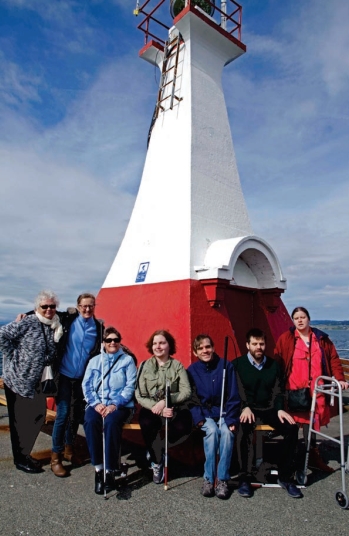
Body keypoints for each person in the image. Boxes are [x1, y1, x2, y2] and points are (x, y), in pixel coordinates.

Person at [275, 306, 348, 473]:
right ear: (293, 321)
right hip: (293, 389)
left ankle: (312, 456)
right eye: (296, 318)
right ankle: (292, 457)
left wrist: (340, 379)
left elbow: (333, 359)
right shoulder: (286, 338)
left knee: (312, 423)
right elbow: (278, 360)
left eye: (303, 317)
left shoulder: (322, 339)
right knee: (293, 422)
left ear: (309, 319)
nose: (300, 320)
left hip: (316, 391)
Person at [233, 328, 301, 499]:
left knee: (292, 429)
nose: (259, 347)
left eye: (261, 343)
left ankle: (285, 476)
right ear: (247, 345)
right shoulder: (237, 365)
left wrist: (279, 409)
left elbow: (278, 392)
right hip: (248, 408)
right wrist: (244, 406)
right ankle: (244, 478)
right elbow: (236, 391)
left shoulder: (273, 366)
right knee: (243, 429)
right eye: (255, 344)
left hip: (269, 409)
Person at [0, 290, 63, 473]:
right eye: (45, 306)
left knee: (38, 416)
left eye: (52, 306)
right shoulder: (28, 321)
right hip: (19, 380)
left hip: (38, 382)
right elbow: (2, 335)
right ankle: (21, 459)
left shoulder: (56, 324)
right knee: (20, 422)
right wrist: (12, 357)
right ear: (37, 307)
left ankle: (25, 453)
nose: (49, 309)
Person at [50, 292, 103, 477]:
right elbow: (47, 313)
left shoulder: (98, 327)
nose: (87, 309)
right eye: (84, 306)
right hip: (64, 375)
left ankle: (69, 450)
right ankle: (55, 458)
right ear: (78, 306)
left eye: (91, 306)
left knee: (75, 416)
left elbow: (103, 349)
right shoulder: (68, 320)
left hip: (82, 378)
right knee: (62, 415)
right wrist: (26, 314)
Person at [82, 326, 137, 495]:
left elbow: (130, 386)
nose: (112, 343)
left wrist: (115, 404)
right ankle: (99, 470)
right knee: (91, 422)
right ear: (104, 343)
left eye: (115, 340)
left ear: (119, 342)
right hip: (98, 403)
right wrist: (96, 403)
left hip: (120, 406)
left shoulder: (127, 361)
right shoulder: (95, 361)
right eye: (109, 340)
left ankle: (110, 470)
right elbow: (87, 385)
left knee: (112, 423)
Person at [187, 334, 240, 499]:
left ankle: (222, 479)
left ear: (213, 348)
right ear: (196, 352)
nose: (205, 350)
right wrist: (199, 417)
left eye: (207, 347)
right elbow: (191, 398)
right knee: (211, 432)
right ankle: (209, 479)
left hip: (224, 412)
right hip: (205, 413)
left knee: (227, 433)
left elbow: (233, 396)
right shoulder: (192, 370)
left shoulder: (226, 366)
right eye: (201, 348)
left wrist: (231, 419)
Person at [135, 330, 192, 484]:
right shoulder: (144, 366)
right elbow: (139, 394)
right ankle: (156, 462)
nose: (158, 346)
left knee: (183, 427)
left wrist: (167, 401)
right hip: (152, 408)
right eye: (155, 343)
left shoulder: (177, 365)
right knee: (147, 423)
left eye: (162, 343)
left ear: (169, 345)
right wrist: (156, 406)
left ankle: (158, 450)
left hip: (172, 407)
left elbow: (186, 391)